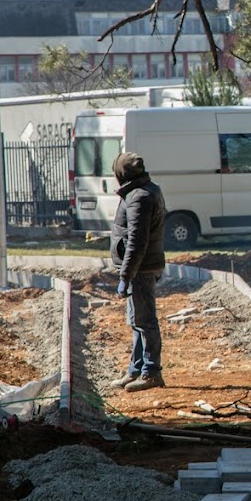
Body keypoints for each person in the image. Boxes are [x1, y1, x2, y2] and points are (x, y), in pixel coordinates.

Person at [109, 151, 168, 391]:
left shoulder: (139, 197)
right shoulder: (143, 191)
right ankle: (136, 369)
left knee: (145, 322)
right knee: (137, 322)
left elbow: (136, 241)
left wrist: (126, 275)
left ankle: (151, 372)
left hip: (140, 270)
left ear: (122, 174)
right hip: (142, 267)